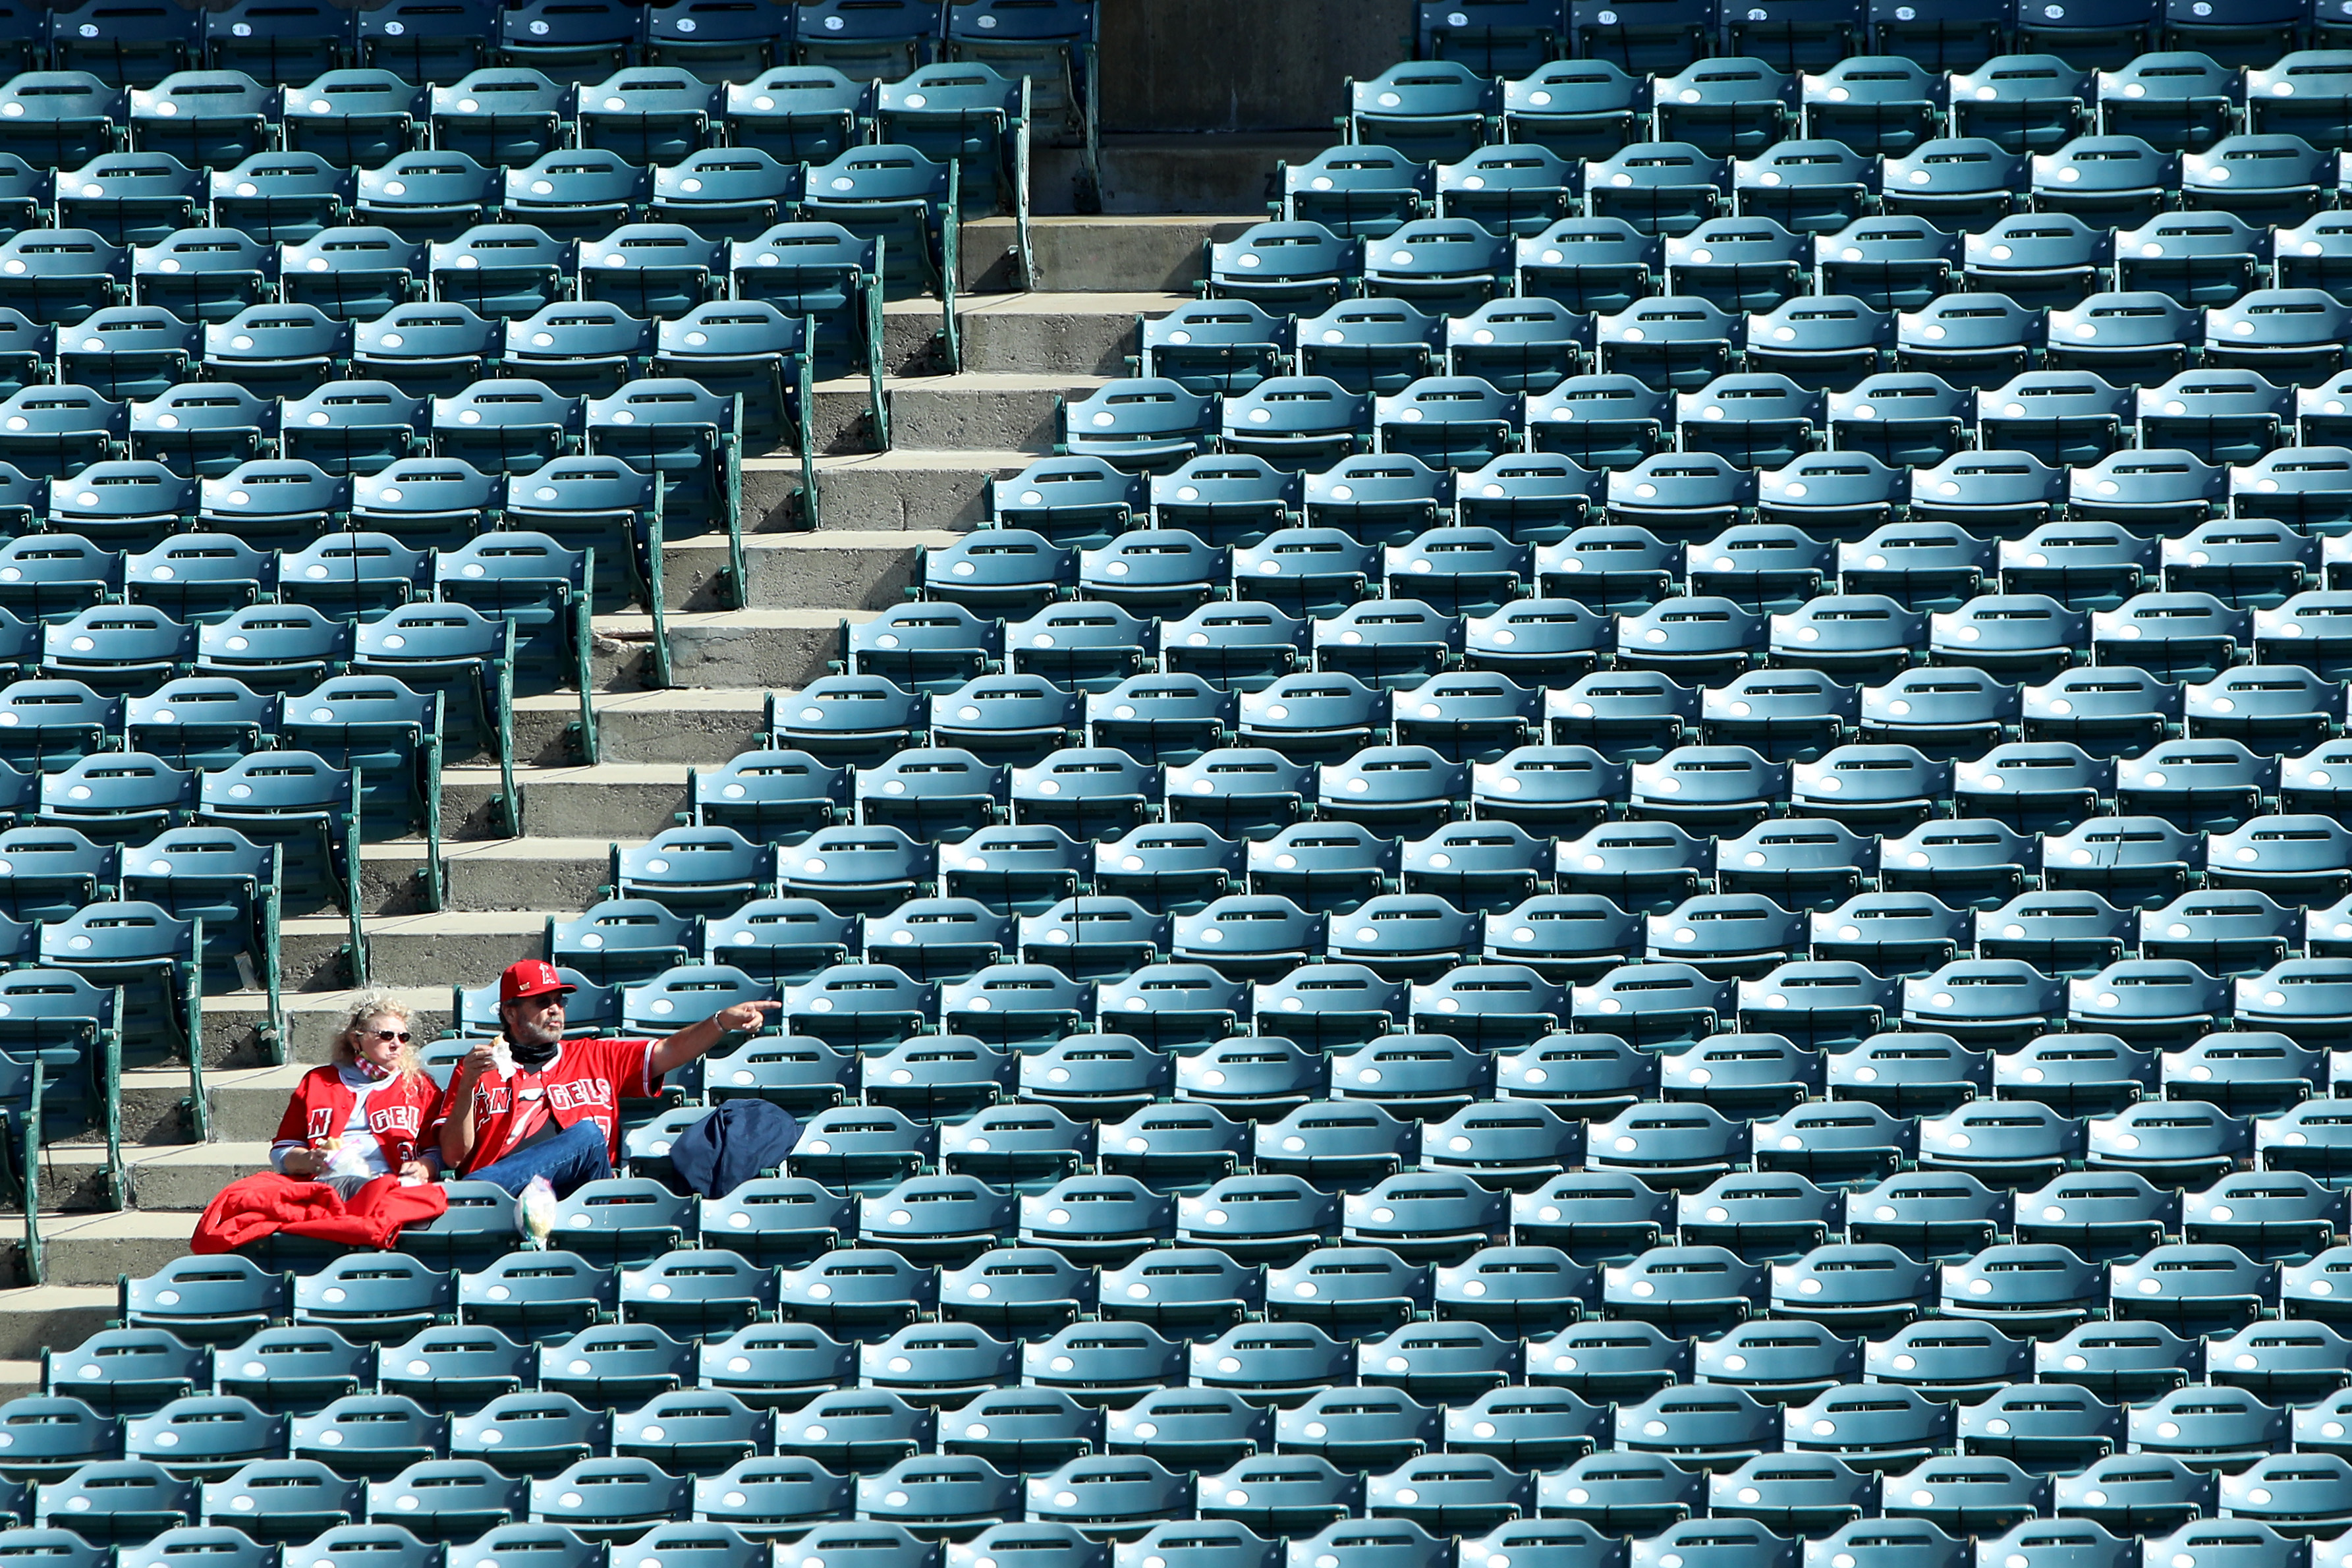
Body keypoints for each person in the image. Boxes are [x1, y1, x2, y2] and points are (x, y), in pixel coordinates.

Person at [432, 959, 781, 1196]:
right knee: (584, 1135)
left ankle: (471, 1196)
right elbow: (453, 1157)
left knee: (587, 1137)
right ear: (510, 1012)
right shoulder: (478, 1068)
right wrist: (466, 1089)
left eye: (559, 1000)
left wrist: (719, 1022)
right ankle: (477, 1195)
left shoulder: (596, 1055)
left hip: (586, 1199)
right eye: (541, 1002)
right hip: (508, 1199)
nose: (555, 1009)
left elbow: (671, 1051)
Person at [271, 990, 442, 1198]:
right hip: (327, 1185)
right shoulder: (317, 1082)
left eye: (403, 1037)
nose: (396, 1044)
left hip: (394, 1186)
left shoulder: (419, 1086)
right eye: (386, 1036)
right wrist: (307, 1160)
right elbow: (283, 1150)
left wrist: (425, 1167)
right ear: (355, 1040)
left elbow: (439, 1150)